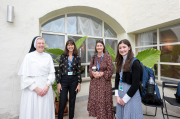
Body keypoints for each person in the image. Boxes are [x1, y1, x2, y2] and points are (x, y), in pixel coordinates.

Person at [18, 36, 55, 119]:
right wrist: (35, 88)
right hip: (32, 91)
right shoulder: (28, 57)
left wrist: (47, 86)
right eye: (39, 43)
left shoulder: (48, 56)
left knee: (45, 111)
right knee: (33, 112)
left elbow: (52, 73)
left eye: (43, 43)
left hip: (46, 89)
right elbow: (24, 77)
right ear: (35, 45)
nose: (41, 45)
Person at [115, 39, 143, 119]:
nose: (122, 49)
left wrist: (125, 99)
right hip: (120, 94)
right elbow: (117, 80)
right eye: (120, 48)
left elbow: (135, 85)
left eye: (124, 47)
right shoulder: (119, 62)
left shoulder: (135, 62)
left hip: (131, 95)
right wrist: (117, 96)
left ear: (129, 48)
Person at [87, 40, 114, 119]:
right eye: (97, 46)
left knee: (104, 103)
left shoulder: (108, 56)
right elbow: (89, 69)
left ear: (103, 47)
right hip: (94, 84)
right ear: (96, 47)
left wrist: (102, 73)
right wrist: (93, 73)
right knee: (96, 102)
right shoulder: (93, 57)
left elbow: (110, 70)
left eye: (100, 45)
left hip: (104, 84)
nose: (99, 47)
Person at [57, 40, 81, 119]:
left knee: (72, 102)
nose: (70, 46)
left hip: (73, 80)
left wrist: (79, 84)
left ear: (74, 46)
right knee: (62, 102)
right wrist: (58, 83)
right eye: (69, 45)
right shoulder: (63, 56)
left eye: (72, 45)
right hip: (63, 80)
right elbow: (59, 70)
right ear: (66, 46)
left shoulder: (77, 57)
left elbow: (78, 71)